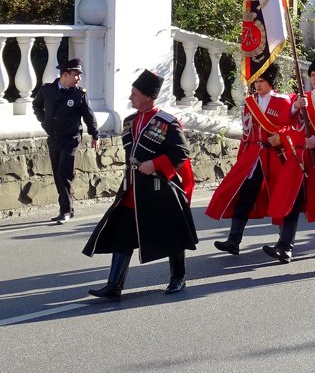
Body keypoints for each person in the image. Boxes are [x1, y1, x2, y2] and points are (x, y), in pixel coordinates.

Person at [83, 70, 196, 299]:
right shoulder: (130, 121)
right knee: (123, 234)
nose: (130, 97)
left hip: (159, 188)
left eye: (134, 93)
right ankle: (114, 285)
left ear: (147, 96)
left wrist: (154, 164)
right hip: (132, 188)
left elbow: (181, 152)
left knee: (171, 234)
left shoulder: (167, 123)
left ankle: (178, 278)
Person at [263, 57, 315, 263]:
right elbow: (283, 121)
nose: (314, 79)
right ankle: (285, 246)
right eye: (312, 75)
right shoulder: (302, 98)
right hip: (299, 156)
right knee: (292, 200)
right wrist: (294, 108)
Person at [207, 64, 293, 255]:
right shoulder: (249, 102)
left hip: (274, 156)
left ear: (271, 82)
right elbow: (246, 134)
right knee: (244, 195)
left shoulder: (282, 101)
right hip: (253, 156)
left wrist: (280, 137)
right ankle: (233, 239)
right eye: (256, 81)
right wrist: (242, 159)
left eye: (262, 81)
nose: (258, 85)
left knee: (279, 197)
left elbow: (289, 128)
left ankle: (284, 242)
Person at [33, 58, 99, 224]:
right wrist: (44, 121)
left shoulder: (79, 94)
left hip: (71, 139)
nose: (78, 79)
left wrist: (95, 135)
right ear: (65, 75)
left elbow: (89, 116)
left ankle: (65, 211)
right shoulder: (47, 90)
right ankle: (67, 208)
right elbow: (36, 105)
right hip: (54, 138)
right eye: (75, 75)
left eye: (79, 75)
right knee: (57, 175)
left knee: (64, 173)